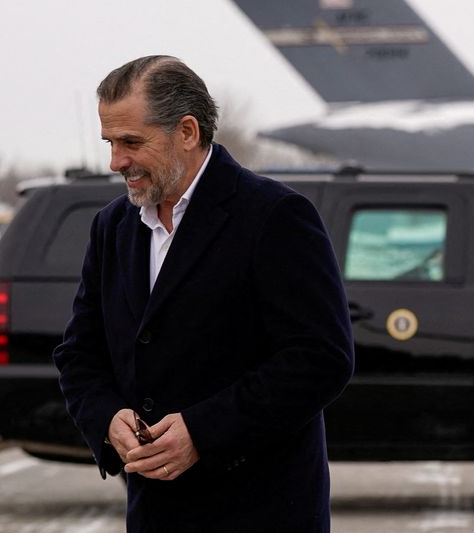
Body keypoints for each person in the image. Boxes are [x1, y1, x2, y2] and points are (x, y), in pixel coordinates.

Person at [53, 55, 354, 532]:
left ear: (187, 131)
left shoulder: (275, 216)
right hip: (155, 513)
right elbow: (79, 354)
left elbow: (321, 358)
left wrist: (202, 432)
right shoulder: (112, 226)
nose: (116, 162)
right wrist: (107, 417)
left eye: (132, 142)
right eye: (111, 143)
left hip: (262, 512)